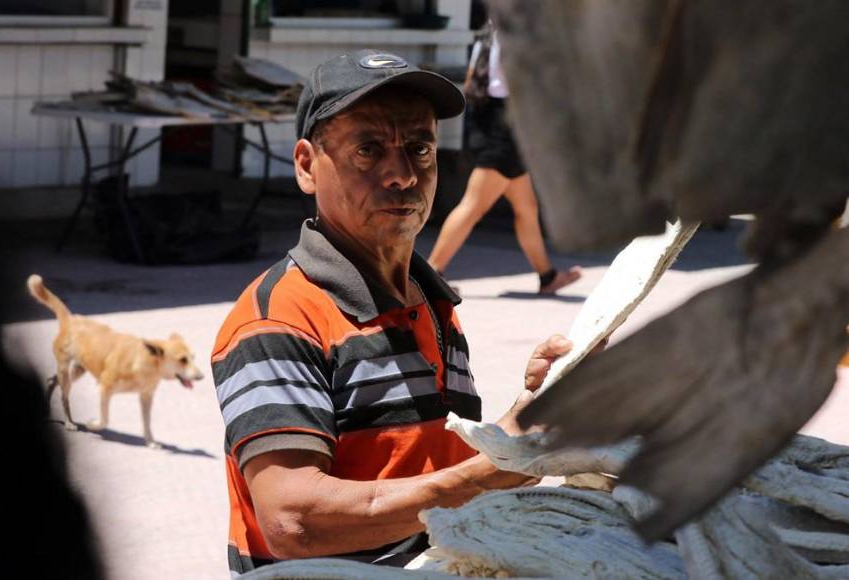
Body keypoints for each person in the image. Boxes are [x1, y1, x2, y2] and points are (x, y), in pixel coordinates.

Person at [211, 49, 575, 575]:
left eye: (420, 149)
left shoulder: (430, 301)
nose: (403, 175)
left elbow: (434, 475)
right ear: (307, 166)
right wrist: (500, 466)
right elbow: (293, 521)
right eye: (368, 150)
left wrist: (529, 418)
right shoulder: (279, 319)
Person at [427, 22, 582, 294]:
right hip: (507, 127)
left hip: (492, 121)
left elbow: (472, 80)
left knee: (527, 209)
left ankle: (547, 277)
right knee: (473, 205)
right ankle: (431, 276)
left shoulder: (490, 32)